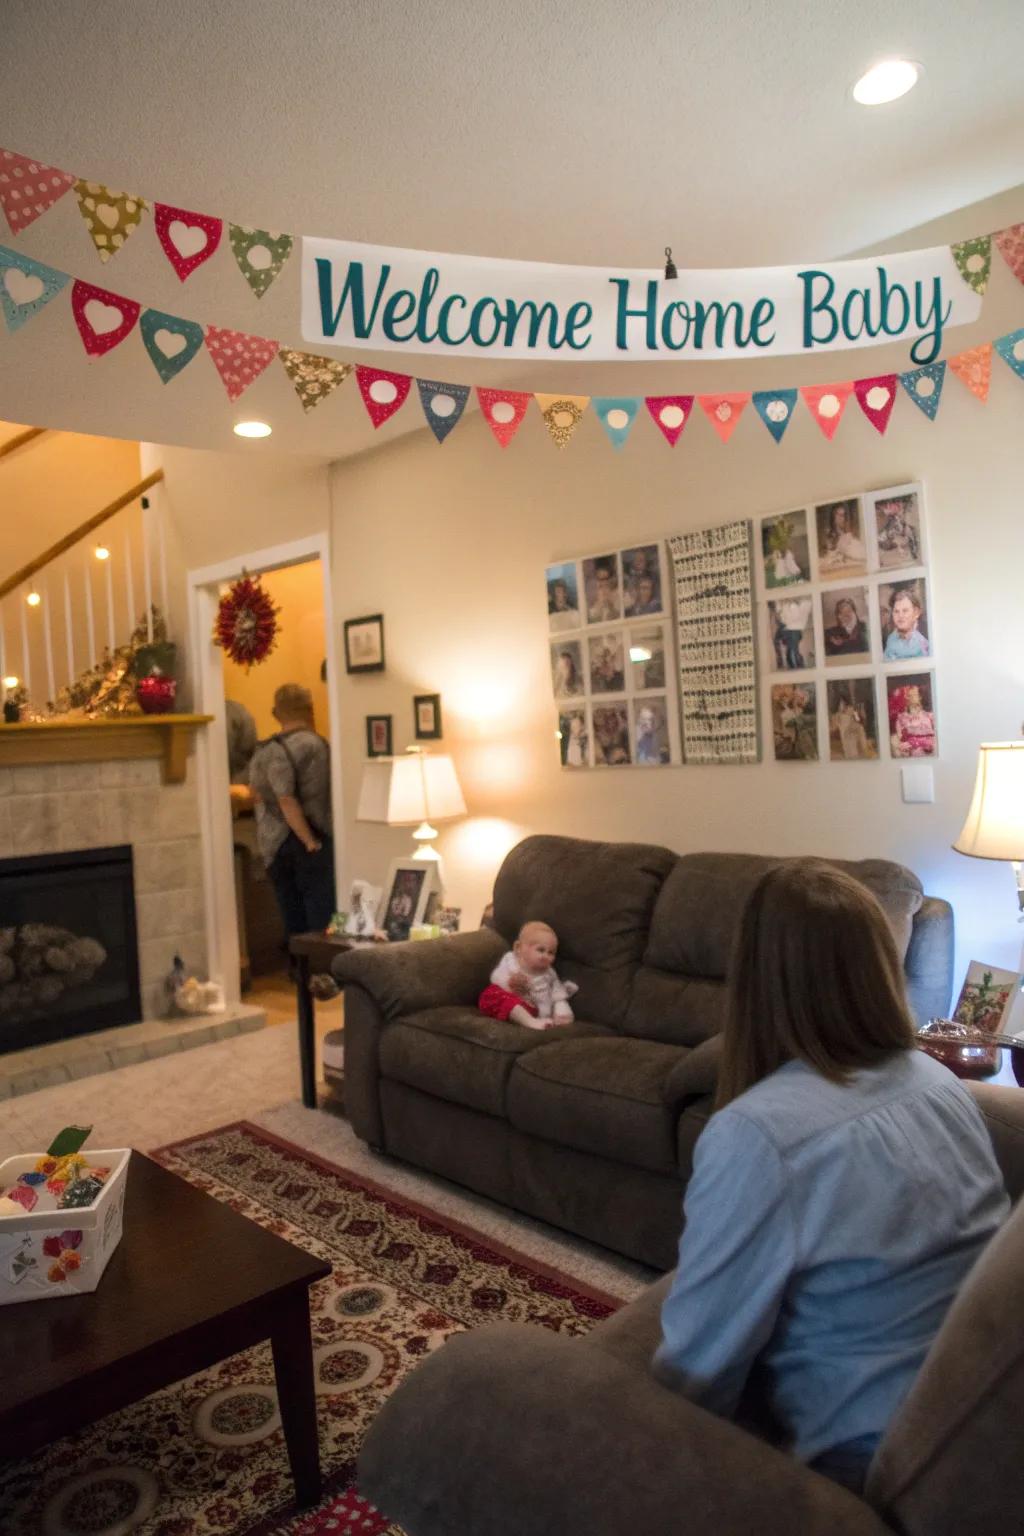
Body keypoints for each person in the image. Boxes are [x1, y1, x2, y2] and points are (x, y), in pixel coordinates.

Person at [653, 861, 1008, 1493]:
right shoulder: (939, 1081)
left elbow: (697, 1373)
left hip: (867, 1454)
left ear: (756, 979)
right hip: (971, 1417)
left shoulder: (755, 1135)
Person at [248, 683, 335, 939]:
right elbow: (289, 798)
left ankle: (299, 974)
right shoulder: (315, 745)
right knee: (321, 921)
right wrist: (310, 841)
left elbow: (256, 795)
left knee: (291, 918)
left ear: (276, 713)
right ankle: (322, 975)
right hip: (310, 840)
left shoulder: (263, 751)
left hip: (273, 846)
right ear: (310, 710)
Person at [477, 921, 578, 1029]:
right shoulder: (511, 960)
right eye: (541, 950)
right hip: (505, 998)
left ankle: (529, 1021)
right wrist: (509, 982)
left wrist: (561, 1009)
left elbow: (557, 993)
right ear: (518, 948)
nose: (546, 956)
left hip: (529, 1007)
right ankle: (526, 1020)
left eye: (551, 953)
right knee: (491, 993)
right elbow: (495, 977)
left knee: (523, 1007)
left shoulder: (549, 973)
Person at [818, 502, 866, 574]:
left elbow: (854, 550)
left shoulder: (848, 534)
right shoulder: (829, 534)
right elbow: (829, 553)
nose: (841, 518)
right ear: (833, 516)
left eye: (843, 515)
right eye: (838, 515)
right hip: (835, 563)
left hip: (849, 561)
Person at [889, 683, 936, 757]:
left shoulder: (929, 716)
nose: (909, 698)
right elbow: (899, 737)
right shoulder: (901, 718)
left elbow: (937, 735)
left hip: (930, 747)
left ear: (919, 697)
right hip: (910, 748)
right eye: (908, 695)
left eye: (913, 695)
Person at [883, 589, 930, 660]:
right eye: (896, 611)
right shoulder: (890, 640)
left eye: (905, 611)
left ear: (916, 613)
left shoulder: (923, 644)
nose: (900, 615)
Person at [775, 596, 812, 669]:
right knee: (792, 651)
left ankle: (797, 668)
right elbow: (779, 614)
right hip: (790, 626)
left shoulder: (804, 602)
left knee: (792, 651)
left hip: (794, 626)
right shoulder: (783, 605)